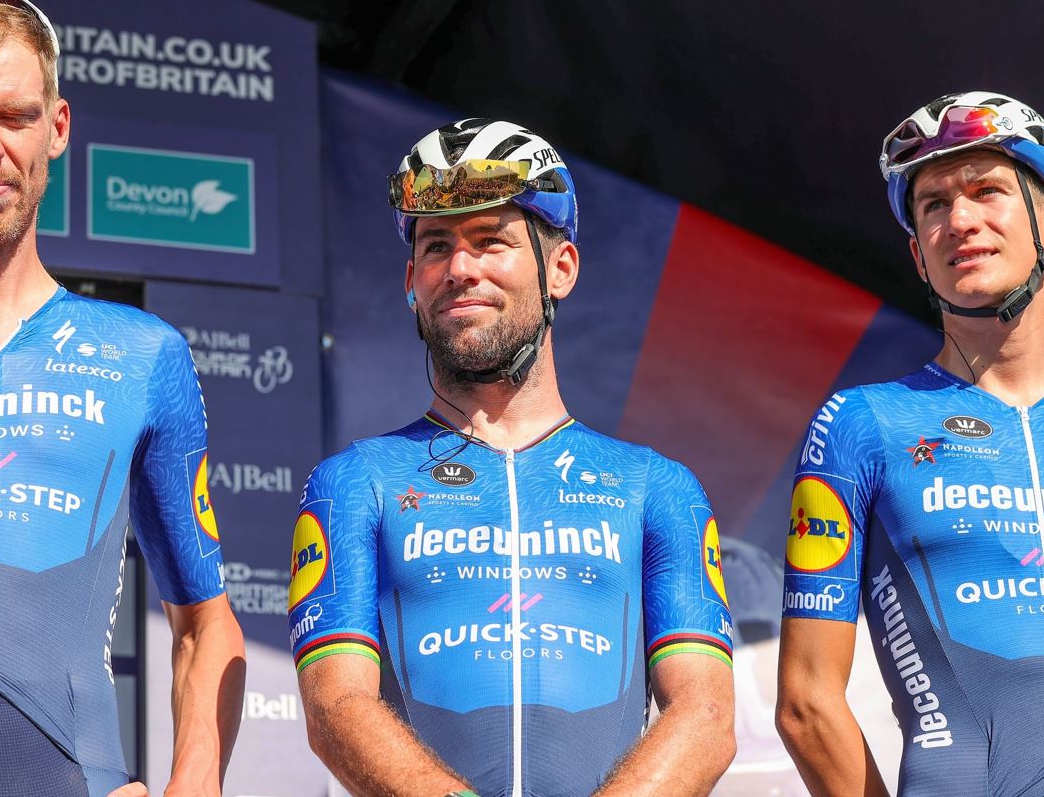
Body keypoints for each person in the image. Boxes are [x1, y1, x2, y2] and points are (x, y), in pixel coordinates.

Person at [288, 119, 736, 796]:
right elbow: (336, 706)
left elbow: (704, 714)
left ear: (561, 268)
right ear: (412, 281)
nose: (460, 269)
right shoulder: (354, 482)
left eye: (490, 240)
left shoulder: (655, 487)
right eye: (437, 247)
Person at [0, 0, 245, 796]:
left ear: (57, 127)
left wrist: (193, 786)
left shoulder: (143, 354)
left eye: (14, 115)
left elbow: (205, 624)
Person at [776, 91, 1044, 797]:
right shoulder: (860, 425)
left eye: (986, 191)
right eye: (933, 204)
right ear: (918, 256)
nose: (959, 221)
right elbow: (807, 702)